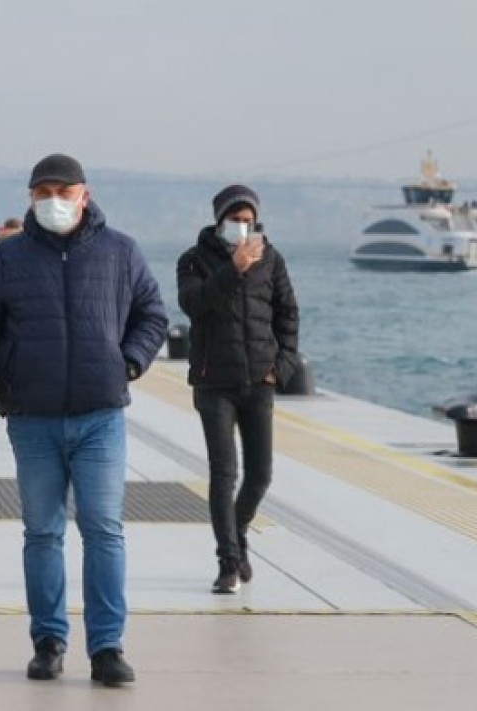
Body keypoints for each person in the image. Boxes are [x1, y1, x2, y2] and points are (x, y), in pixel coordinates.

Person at [0, 154, 166, 688]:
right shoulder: (8, 258)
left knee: (103, 529)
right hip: (32, 417)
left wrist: (131, 360)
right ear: (30, 198)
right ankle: (48, 642)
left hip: (101, 416)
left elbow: (153, 314)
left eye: (63, 191)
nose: (53, 200)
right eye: (42, 191)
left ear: (84, 195)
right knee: (43, 532)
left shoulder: (121, 251)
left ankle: (107, 647)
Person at [176, 185, 299, 595]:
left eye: (249, 221)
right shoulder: (194, 261)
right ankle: (228, 562)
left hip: (259, 382)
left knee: (261, 475)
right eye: (235, 220)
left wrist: (280, 368)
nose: (243, 228)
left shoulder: (273, 259)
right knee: (224, 474)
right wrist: (234, 268)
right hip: (214, 384)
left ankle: (238, 532)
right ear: (219, 221)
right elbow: (193, 305)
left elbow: (288, 315)